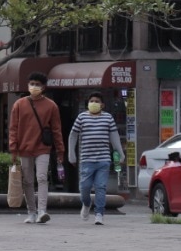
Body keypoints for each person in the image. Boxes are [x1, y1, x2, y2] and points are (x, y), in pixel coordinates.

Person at [9, 72, 65, 224]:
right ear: (28, 85)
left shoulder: (51, 106)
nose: (34, 87)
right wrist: (13, 149)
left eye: (37, 84)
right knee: (27, 181)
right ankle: (31, 212)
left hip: (43, 147)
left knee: (41, 178)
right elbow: (13, 128)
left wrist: (60, 150)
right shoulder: (19, 104)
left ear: (43, 87)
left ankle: (42, 211)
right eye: (32, 83)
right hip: (24, 147)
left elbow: (56, 129)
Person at [67, 91, 123, 225]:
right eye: (92, 101)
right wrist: (71, 155)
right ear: (87, 104)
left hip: (103, 159)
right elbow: (73, 136)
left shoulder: (108, 118)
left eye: (97, 101)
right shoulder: (81, 118)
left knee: (101, 187)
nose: (94, 103)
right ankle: (86, 204)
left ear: (102, 105)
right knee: (85, 188)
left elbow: (114, 137)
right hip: (86, 160)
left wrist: (120, 153)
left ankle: (99, 213)